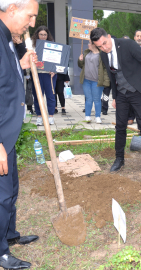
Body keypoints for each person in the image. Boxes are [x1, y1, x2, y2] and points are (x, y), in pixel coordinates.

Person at [0, 0, 40, 268]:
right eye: (30, 16)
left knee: (11, 190)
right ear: (12, 9)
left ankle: (9, 234)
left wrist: (21, 64)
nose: (32, 23)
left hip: (9, 134)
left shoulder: (6, 39)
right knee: (1, 195)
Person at [91, 28, 141, 174]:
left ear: (108, 36)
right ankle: (119, 159)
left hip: (137, 91)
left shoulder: (127, 44)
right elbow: (112, 77)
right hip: (121, 93)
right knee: (120, 127)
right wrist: (115, 96)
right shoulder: (104, 54)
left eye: (105, 44)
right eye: (100, 46)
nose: (104, 48)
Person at [78, 40, 110, 123]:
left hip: (96, 81)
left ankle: (97, 116)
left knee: (97, 99)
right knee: (88, 99)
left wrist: (106, 82)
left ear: (94, 45)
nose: (88, 45)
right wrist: (80, 60)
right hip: (86, 80)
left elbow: (106, 69)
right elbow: (81, 66)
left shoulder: (102, 54)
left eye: (89, 43)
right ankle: (87, 116)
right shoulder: (86, 53)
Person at [31, 25, 57, 126]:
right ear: (37, 35)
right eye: (41, 34)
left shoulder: (52, 45)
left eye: (45, 35)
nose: (43, 36)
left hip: (49, 75)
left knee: (50, 96)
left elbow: (57, 60)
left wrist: (54, 70)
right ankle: (39, 117)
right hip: (36, 74)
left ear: (47, 35)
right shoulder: (32, 46)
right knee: (38, 96)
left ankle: (50, 116)